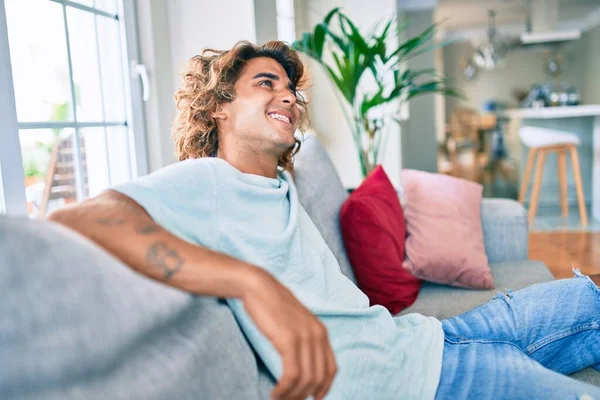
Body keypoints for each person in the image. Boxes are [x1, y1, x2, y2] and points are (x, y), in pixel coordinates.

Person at [48, 40, 600, 400]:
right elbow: (80, 218)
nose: (288, 96)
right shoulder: (205, 180)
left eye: (290, 89)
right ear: (217, 107)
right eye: (266, 83)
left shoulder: (278, 181)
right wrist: (249, 282)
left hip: (424, 338)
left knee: (586, 302)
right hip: (407, 383)